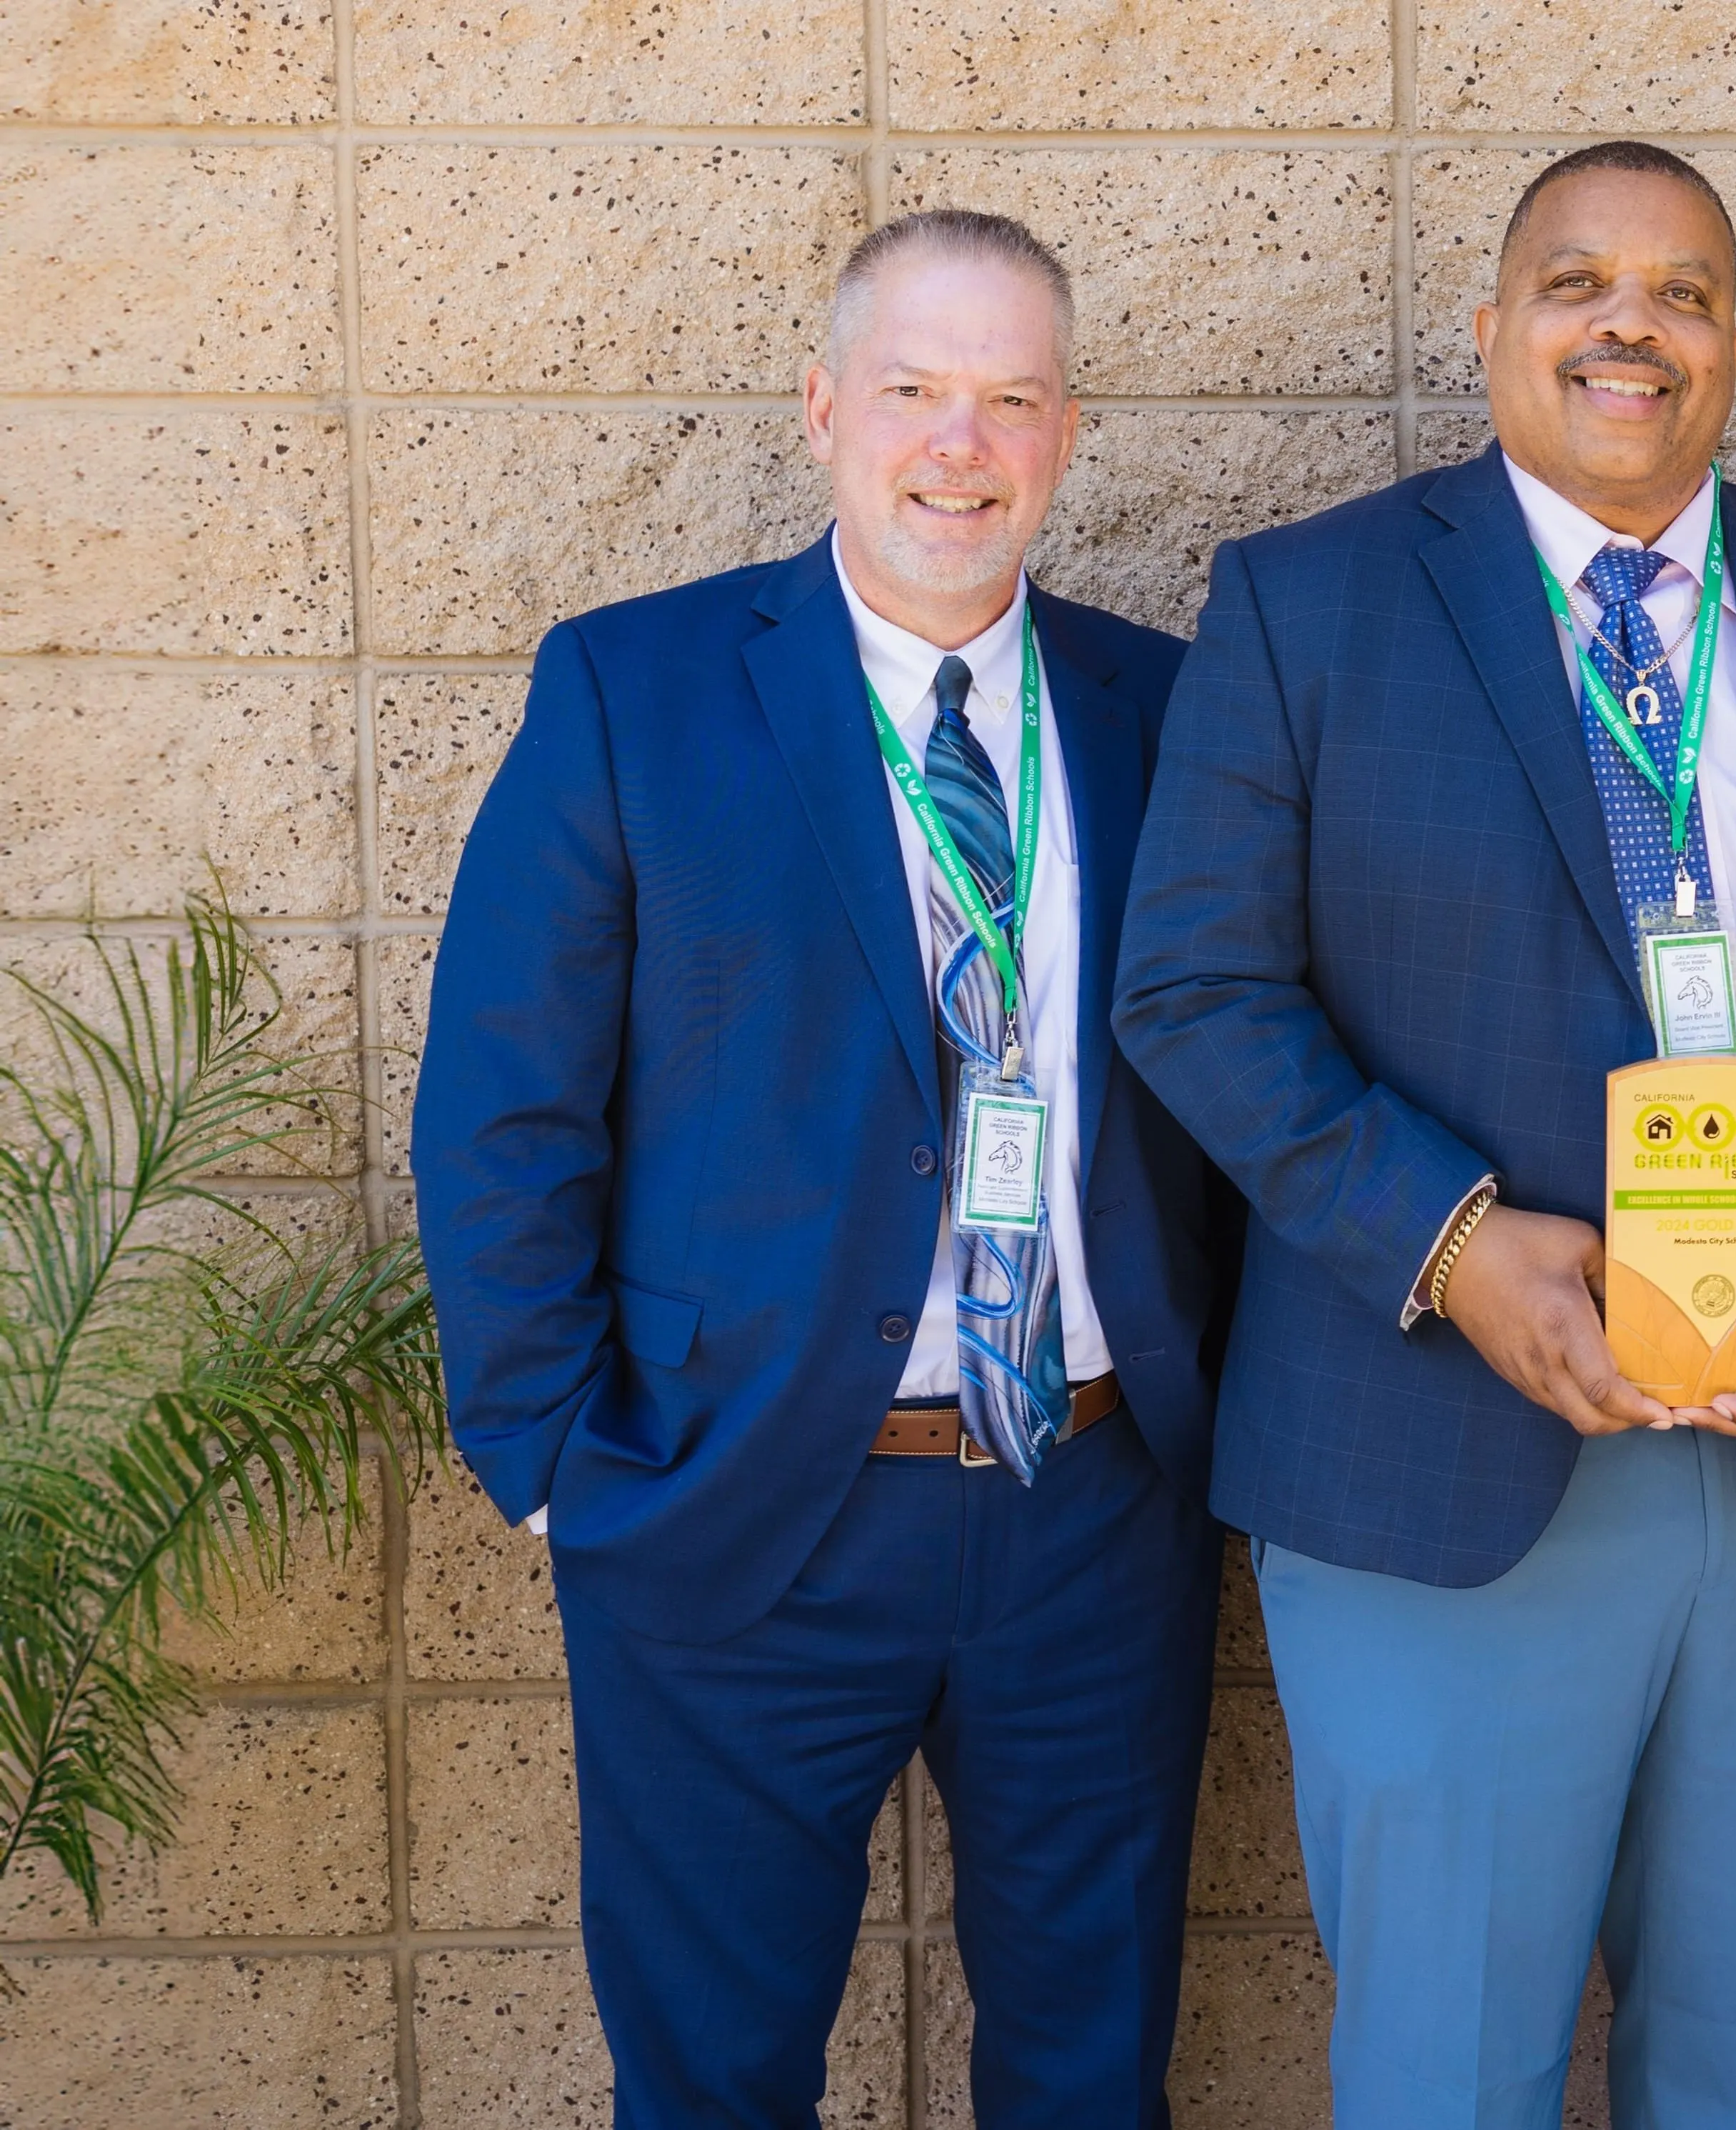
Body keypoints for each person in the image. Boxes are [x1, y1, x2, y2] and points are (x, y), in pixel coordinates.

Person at [1111, 141, 1736, 2130]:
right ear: (1490, 332)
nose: (1631, 324)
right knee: (1449, 2062)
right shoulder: (1306, 604)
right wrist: (1455, 1245)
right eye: (1577, 283)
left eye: (1683, 291)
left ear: (1732, 343)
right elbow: (1191, 988)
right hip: (1441, 1455)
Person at [413, 210, 1228, 2127]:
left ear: (1068, 431)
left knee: (1092, 2068)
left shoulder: (1162, 706)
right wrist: (549, 1458)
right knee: (712, 2073)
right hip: (738, 1510)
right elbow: (505, 1102)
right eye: (916, 390)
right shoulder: (638, 689)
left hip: (1094, 1505)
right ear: (822, 410)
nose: (962, 443)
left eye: (1011, 397)